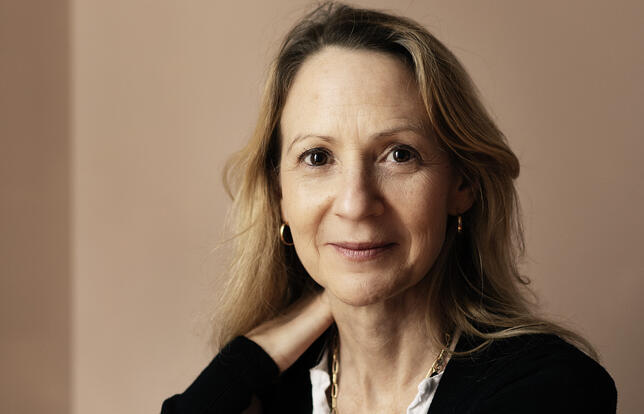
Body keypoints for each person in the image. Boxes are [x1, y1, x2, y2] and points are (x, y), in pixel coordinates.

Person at [161, 2, 617, 413]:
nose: (356, 203)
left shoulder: (551, 390)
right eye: (317, 157)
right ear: (279, 194)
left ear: (461, 184)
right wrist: (247, 360)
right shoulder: (265, 391)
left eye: (400, 154)